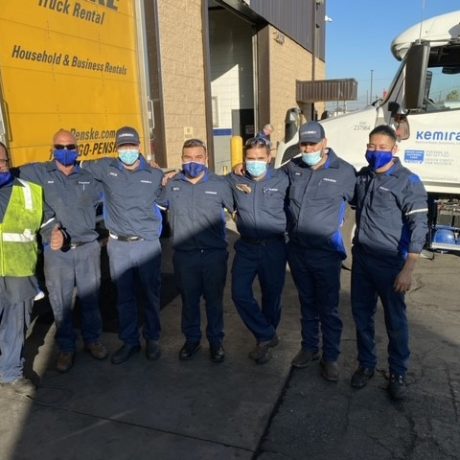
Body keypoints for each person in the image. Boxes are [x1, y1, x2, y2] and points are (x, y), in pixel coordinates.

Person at [350, 125, 428, 401]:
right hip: (362, 261)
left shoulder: (408, 181)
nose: (376, 151)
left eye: (382, 147)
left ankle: (398, 373)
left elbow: (419, 226)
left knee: (395, 321)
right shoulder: (363, 177)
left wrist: (408, 268)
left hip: (392, 264)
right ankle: (366, 364)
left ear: (395, 149)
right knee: (361, 317)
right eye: (372, 146)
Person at [19, 130, 107, 373]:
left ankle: (93, 340)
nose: (65, 151)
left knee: (91, 298)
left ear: (77, 149)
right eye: (60, 146)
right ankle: (66, 348)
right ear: (53, 148)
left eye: (70, 147)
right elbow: (9, 175)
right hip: (57, 254)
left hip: (88, 248)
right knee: (61, 302)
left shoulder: (90, 176)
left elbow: (116, 177)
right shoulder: (37, 173)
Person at [82, 127, 164, 365]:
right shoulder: (106, 169)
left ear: (139, 147)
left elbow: (167, 195)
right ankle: (130, 342)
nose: (128, 151)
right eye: (123, 146)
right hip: (118, 246)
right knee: (124, 297)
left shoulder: (155, 174)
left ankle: (153, 339)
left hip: (147, 244)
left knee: (150, 295)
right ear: (117, 148)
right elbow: (79, 165)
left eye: (132, 146)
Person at [285, 121, 356, 382]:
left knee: (328, 308)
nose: (307, 148)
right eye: (304, 144)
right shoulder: (293, 168)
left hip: (325, 254)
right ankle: (309, 348)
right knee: (307, 304)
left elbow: (364, 199)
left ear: (324, 143)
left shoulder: (345, 172)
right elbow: (266, 179)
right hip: (298, 252)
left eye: (312, 144)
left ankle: (331, 357)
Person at [159, 139, 234, 363]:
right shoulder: (172, 185)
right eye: (187, 157)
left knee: (214, 301)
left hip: (214, 256)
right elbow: (157, 205)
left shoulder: (220, 185)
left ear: (206, 159)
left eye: (198, 157)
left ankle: (215, 341)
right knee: (189, 301)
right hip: (185, 257)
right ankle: (192, 340)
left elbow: (238, 210)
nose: (192, 162)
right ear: (181, 159)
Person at [0, 141, 62, 394]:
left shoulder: (29, 191)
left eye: (2, 161)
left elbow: (46, 221)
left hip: (18, 271)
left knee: (16, 324)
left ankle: (10, 372)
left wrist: (54, 233)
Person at [227, 136, 289, 364]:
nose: (255, 162)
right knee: (239, 292)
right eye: (250, 158)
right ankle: (266, 333)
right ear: (244, 159)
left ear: (269, 158)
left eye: (260, 158)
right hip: (247, 247)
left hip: (274, 247)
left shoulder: (284, 179)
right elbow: (212, 183)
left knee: (272, 296)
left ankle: (264, 341)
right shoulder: (235, 179)